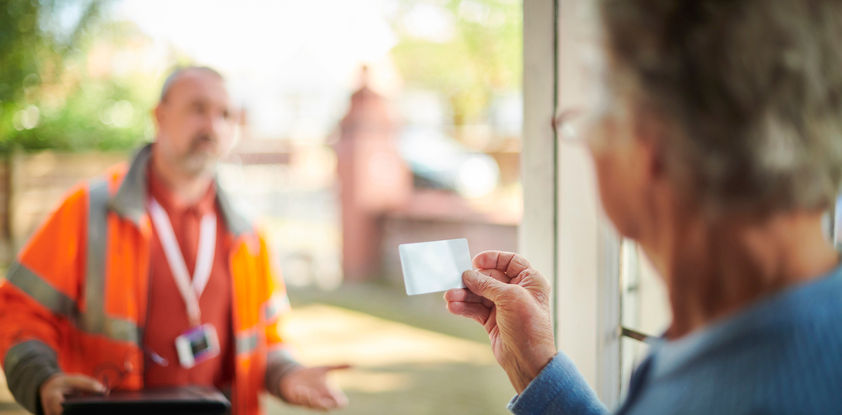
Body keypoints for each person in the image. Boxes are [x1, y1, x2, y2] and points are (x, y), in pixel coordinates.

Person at [446, 0, 842, 414]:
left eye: (589, 114)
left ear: (651, 138)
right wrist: (535, 371)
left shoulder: (748, 391)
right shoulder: (739, 337)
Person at [0, 66, 349, 415]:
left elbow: (266, 339)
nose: (212, 125)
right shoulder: (88, 211)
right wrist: (39, 378)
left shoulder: (248, 231)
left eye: (225, 114)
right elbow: (17, 310)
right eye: (198, 108)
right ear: (159, 115)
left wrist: (287, 374)